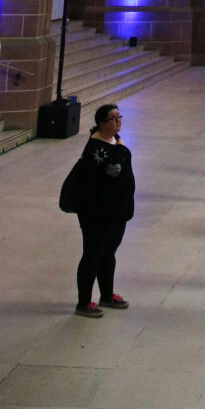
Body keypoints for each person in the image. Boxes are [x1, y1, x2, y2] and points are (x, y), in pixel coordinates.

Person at [74, 103, 135, 318]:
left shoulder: (117, 141)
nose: (118, 121)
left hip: (117, 212)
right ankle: (83, 302)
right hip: (97, 213)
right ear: (102, 123)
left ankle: (107, 295)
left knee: (108, 254)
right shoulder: (95, 147)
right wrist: (121, 148)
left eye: (119, 117)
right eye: (113, 118)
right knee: (92, 255)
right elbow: (113, 170)